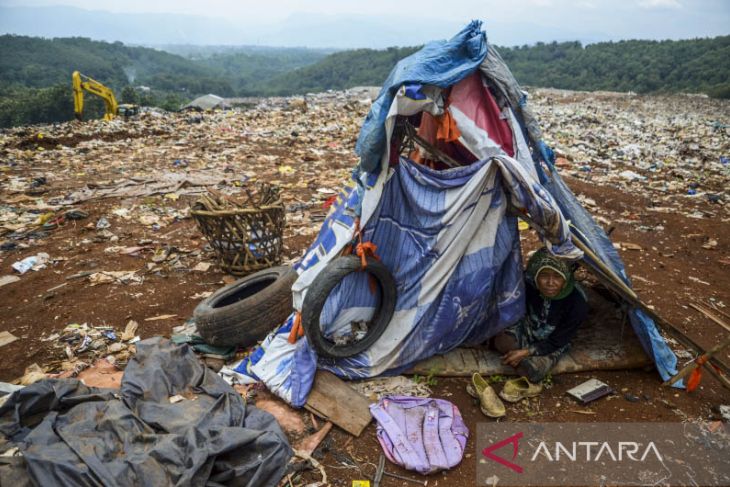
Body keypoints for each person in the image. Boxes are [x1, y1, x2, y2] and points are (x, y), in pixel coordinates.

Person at [493, 247, 588, 385]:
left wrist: (526, 352)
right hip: (529, 328)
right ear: (536, 276)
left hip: (553, 341)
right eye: (544, 276)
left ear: (566, 278)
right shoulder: (528, 284)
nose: (550, 283)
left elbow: (558, 340)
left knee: (533, 371)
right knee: (503, 341)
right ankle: (516, 357)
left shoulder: (577, 303)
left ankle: (521, 361)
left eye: (557, 277)